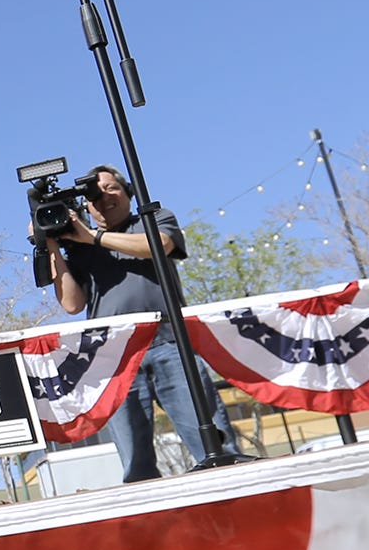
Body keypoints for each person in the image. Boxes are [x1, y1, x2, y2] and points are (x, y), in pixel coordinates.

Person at [43, 165, 239, 483]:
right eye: (94, 194)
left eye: (111, 188)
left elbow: (159, 246)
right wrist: (51, 241)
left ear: (128, 192)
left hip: (169, 343)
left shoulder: (152, 219)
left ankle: (238, 497)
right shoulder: (77, 247)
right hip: (114, 358)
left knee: (214, 445)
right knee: (136, 464)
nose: (103, 197)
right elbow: (71, 303)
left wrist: (95, 237)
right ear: (85, 206)